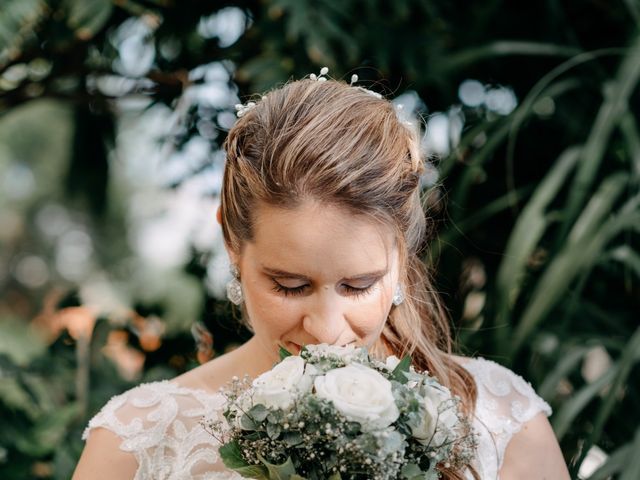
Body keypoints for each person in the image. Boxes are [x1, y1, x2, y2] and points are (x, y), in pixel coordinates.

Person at [73, 73, 570, 480]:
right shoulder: (135, 444)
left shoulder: (501, 421)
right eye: (290, 286)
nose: (327, 330)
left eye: (358, 286)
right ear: (231, 244)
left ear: (402, 253)